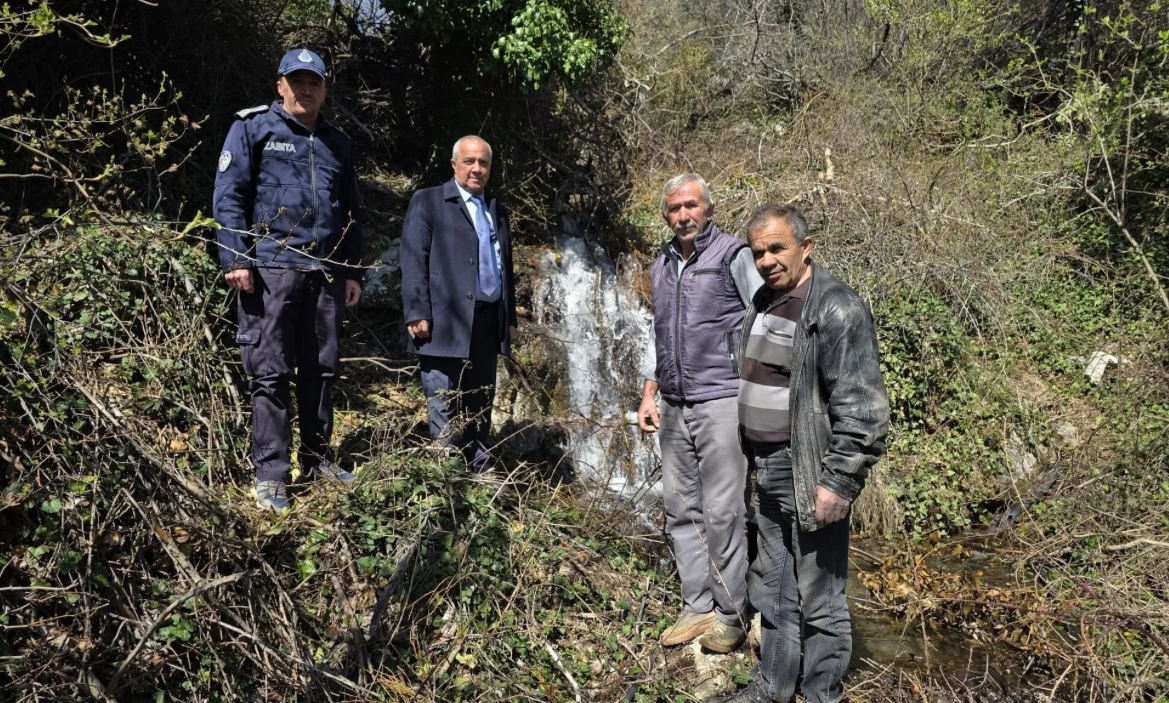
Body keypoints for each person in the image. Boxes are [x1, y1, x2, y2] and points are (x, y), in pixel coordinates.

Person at [711, 204, 890, 703]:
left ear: (806, 248)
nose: (767, 259)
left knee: (821, 600)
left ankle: (821, 696)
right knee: (774, 591)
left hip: (808, 469)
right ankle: (773, 688)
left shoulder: (836, 307)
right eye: (758, 251)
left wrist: (840, 481)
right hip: (766, 469)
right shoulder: (765, 300)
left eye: (777, 248)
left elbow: (863, 407)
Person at [213, 48, 364, 512]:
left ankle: (317, 460)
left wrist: (351, 270)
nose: (305, 89)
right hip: (270, 270)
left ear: (324, 88)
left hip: (324, 274)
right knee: (271, 372)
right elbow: (229, 194)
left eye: (313, 82)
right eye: (296, 81)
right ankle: (272, 475)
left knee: (321, 370)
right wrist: (235, 258)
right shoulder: (253, 127)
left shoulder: (338, 142)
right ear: (280, 85)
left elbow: (351, 212)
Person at [637, 173, 763, 652]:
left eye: (691, 205)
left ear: (708, 209)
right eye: (674, 208)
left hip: (722, 399)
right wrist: (650, 393)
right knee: (680, 508)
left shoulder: (734, 256)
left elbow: (766, 318)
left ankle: (730, 614)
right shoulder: (661, 265)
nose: (683, 215)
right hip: (673, 403)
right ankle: (696, 607)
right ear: (665, 215)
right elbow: (660, 334)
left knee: (724, 511)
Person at [399, 136, 517, 471]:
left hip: (487, 319)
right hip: (443, 321)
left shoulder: (497, 208)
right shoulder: (429, 201)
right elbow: (412, 258)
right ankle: (446, 474)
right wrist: (417, 310)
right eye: (469, 161)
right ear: (454, 165)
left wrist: (509, 317)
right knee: (443, 400)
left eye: (483, 163)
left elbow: (505, 265)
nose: (477, 169)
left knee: (481, 397)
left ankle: (479, 466)